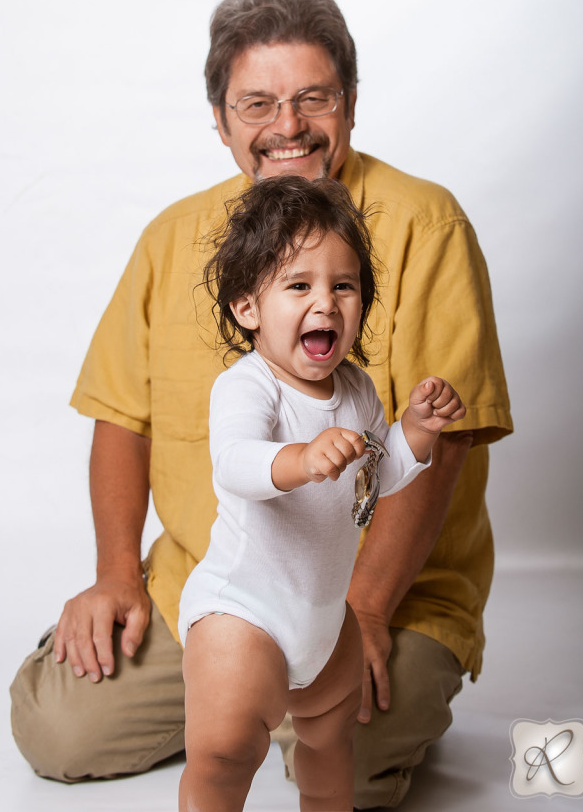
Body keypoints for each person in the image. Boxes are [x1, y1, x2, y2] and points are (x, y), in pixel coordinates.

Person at [10, 0, 513, 809]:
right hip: (223, 584)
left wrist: (365, 612)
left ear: (348, 104)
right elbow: (120, 416)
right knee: (60, 730)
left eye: (312, 97)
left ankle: (286, 708)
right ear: (220, 121)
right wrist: (115, 578)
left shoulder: (427, 223)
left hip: (364, 592)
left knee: (344, 763)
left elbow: (437, 445)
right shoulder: (172, 237)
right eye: (256, 103)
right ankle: (236, 709)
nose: (287, 126)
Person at [177, 174, 466, 812]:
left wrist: (414, 432)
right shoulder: (250, 386)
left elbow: (374, 480)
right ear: (247, 307)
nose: (326, 303)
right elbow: (234, 463)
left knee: (331, 743)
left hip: (324, 618)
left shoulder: (358, 390)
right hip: (244, 608)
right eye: (299, 286)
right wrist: (302, 458)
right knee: (226, 753)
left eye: (344, 285)